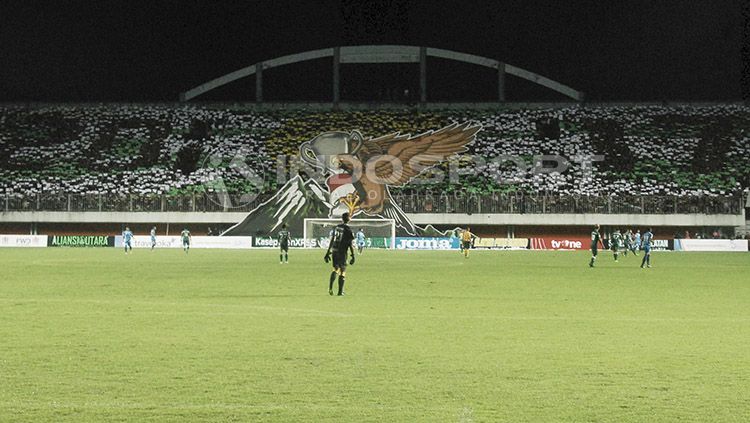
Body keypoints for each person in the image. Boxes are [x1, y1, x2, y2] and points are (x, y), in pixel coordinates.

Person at [324, 212, 355, 296]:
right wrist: (353, 255)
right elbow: (350, 243)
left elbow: (332, 239)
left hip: (334, 250)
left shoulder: (337, 227)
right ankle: (340, 291)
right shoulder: (348, 229)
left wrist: (328, 252)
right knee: (342, 271)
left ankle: (330, 287)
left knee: (335, 269)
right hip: (342, 252)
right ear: (348, 219)